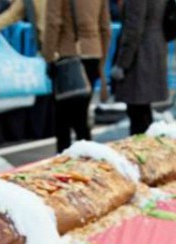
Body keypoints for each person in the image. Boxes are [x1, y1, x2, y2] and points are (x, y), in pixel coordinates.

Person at [43, 0, 111, 151]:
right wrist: (100, 59)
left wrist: (48, 56)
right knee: (82, 118)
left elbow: (53, 22)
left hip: (68, 54)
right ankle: (88, 160)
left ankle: (64, 164)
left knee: (63, 121)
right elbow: (106, 28)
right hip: (93, 53)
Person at [112, 0, 169, 135]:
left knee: (137, 114)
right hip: (152, 50)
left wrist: (122, 64)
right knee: (143, 113)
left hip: (140, 57)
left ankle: (141, 152)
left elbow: (133, 30)